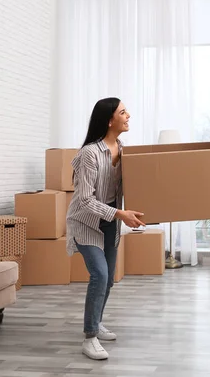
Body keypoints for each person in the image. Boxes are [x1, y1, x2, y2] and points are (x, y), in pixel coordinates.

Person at [66, 97, 145, 360]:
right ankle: (90, 337)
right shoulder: (89, 153)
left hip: (111, 222)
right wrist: (120, 213)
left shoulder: (123, 150)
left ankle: (96, 321)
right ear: (110, 120)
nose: (128, 115)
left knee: (109, 278)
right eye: (123, 112)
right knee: (99, 275)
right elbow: (85, 200)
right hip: (85, 222)